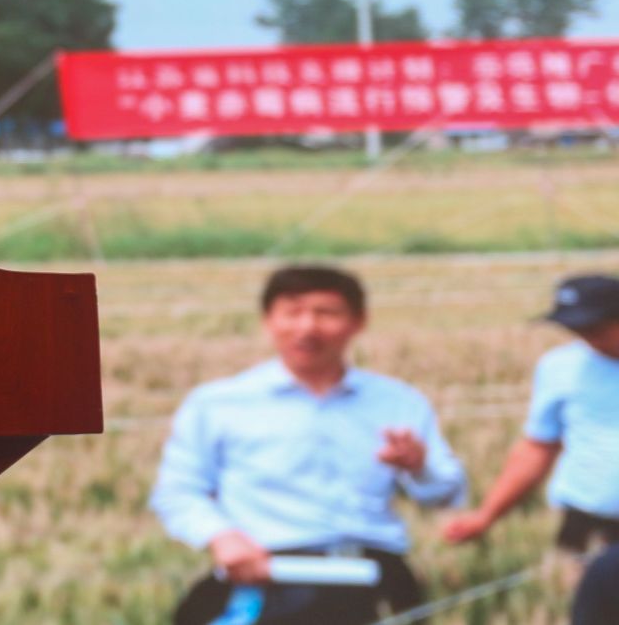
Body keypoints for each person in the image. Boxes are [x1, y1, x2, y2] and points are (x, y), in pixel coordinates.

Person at [150, 265, 467, 625]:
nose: (307, 327)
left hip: (371, 573)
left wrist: (419, 467)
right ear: (268, 321)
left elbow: (446, 495)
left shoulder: (398, 402)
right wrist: (222, 538)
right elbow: (178, 491)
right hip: (265, 572)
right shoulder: (217, 403)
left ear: (358, 322)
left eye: (326, 313)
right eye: (292, 312)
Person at [443, 274, 619, 619]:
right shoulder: (559, 367)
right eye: (576, 328)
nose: (587, 337)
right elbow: (537, 448)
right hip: (586, 526)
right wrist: (486, 515)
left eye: (595, 327)